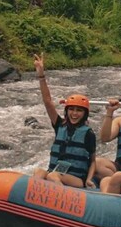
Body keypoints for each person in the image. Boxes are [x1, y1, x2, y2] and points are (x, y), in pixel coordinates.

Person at [32, 53, 97, 188]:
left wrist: (89, 180)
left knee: (52, 175)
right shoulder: (59, 125)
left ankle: (59, 203)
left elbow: (92, 161)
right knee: (39, 172)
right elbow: (47, 102)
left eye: (79, 110)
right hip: (55, 173)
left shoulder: (88, 134)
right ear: (66, 111)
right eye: (71, 109)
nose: (74, 113)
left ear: (85, 114)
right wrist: (41, 76)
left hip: (76, 179)